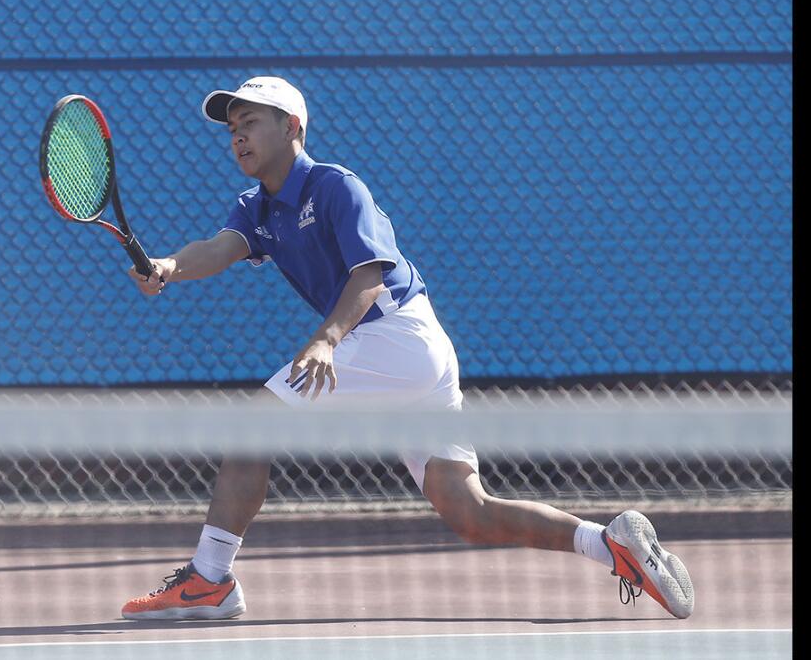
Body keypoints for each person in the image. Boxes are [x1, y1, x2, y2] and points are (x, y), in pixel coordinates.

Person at [118, 76, 694, 621]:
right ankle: (609, 544)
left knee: (252, 430)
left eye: (250, 121)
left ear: (293, 126)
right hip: (411, 351)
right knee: (468, 510)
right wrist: (168, 266)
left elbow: (369, 274)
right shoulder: (256, 208)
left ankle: (211, 578)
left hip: (397, 335)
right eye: (231, 127)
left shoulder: (335, 186)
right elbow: (219, 249)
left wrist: (326, 339)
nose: (237, 134)